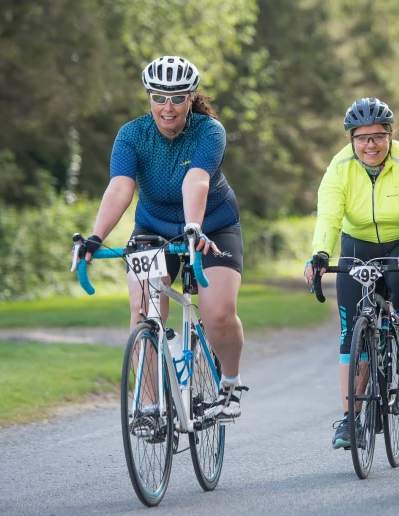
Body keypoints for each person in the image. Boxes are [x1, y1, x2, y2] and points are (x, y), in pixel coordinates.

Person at [79, 56, 246, 419]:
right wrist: (95, 237)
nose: (167, 107)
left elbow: (196, 180)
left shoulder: (209, 131)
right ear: (149, 97)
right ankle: (150, 404)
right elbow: (121, 187)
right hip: (153, 229)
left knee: (218, 314)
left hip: (211, 226)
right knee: (143, 310)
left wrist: (193, 227)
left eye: (177, 97)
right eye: (159, 97)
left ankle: (230, 383)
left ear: (190, 98)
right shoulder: (132, 134)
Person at [304, 98, 399, 449]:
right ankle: (350, 419)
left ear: (390, 136)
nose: (370, 145)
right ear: (351, 139)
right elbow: (328, 214)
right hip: (356, 243)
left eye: (378, 137)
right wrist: (321, 253)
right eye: (362, 138)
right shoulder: (339, 167)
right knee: (350, 335)